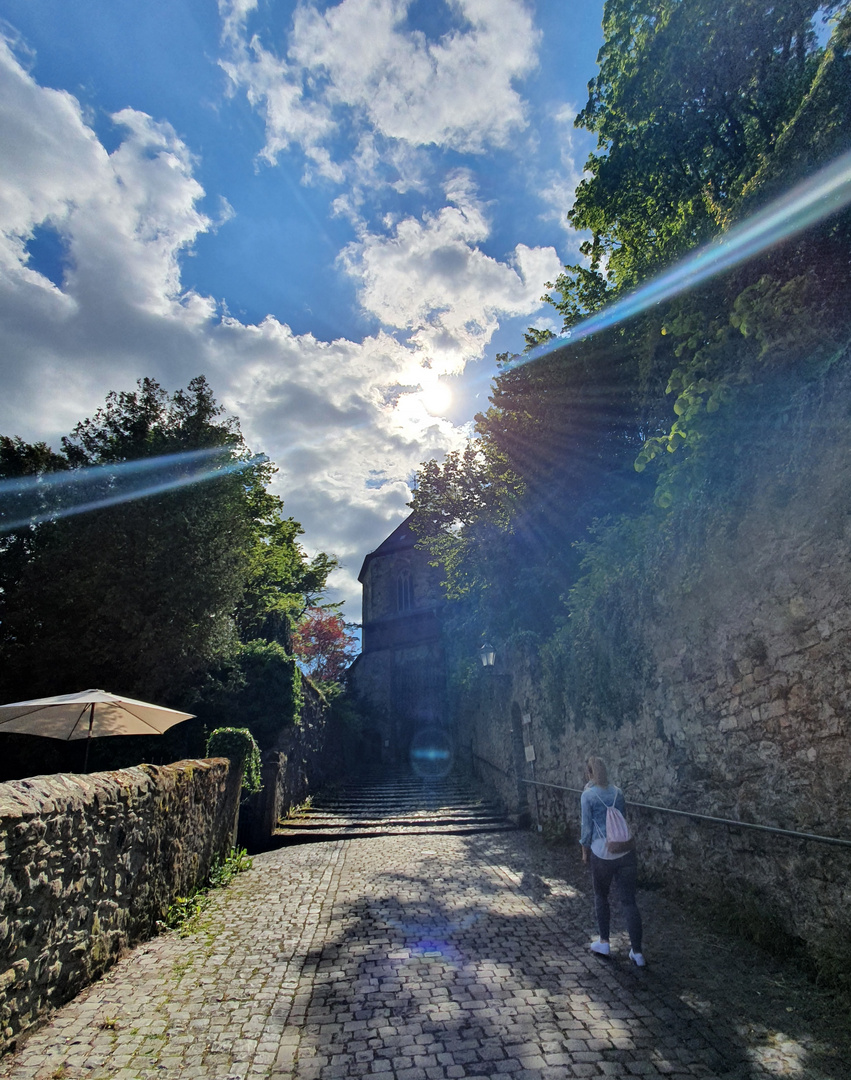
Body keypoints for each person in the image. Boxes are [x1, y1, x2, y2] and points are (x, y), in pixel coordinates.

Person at [579, 755, 645, 966]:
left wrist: (584, 851)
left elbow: (586, 828)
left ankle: (604, 941)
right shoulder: (619, 793)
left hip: (602, 853)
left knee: (601, 896)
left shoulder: (587, 796)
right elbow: (620, 822)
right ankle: (637, 952)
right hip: (625, 851)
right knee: (629, 902)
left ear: (589, 773)